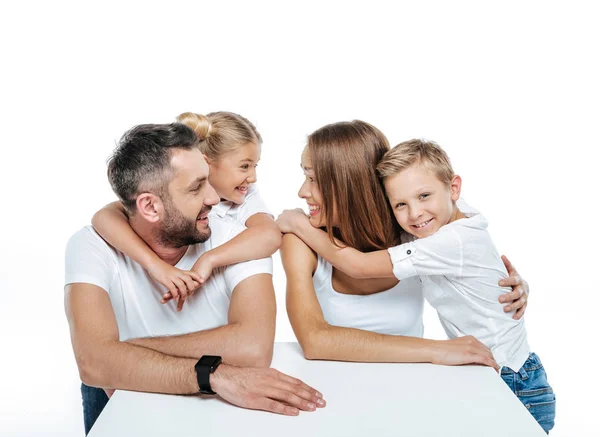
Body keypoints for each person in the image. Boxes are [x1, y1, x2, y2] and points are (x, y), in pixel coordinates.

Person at [278, 137, 554, 432]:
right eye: (400, 203)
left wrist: (299, 224)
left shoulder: (434, 236)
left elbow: (358, 266)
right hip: (376, 392)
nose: (415, 212)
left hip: (508, 377)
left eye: (313, 178)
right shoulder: (424, 225)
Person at [65, 123, 324, 435]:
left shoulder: (239, 240)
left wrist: (126, 356)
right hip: (128, 403)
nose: (215, 198)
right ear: (149, 206)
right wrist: (213, 374)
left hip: (215, 413)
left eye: (209, 181)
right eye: (196, 187)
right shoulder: (91, 246)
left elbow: (254, 348)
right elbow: (94, 364)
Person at [276, 120, 529, 368]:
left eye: (313, 178)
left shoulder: (417, 229)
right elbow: (314, 341)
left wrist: (508, 286)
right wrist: (435, 349)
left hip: (451, 382)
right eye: (305, 175)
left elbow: (461, 231)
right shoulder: (302, 241)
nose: (302, 191)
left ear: (351, 185)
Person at [92, 111, 281, 311]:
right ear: (206, 162)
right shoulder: (171, 192)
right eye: (244, 166)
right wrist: (155, 266)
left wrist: (208, 259)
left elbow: (269, 235)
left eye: (255, 166)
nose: (253, 177)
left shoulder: (246, 196)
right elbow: (105, 217)